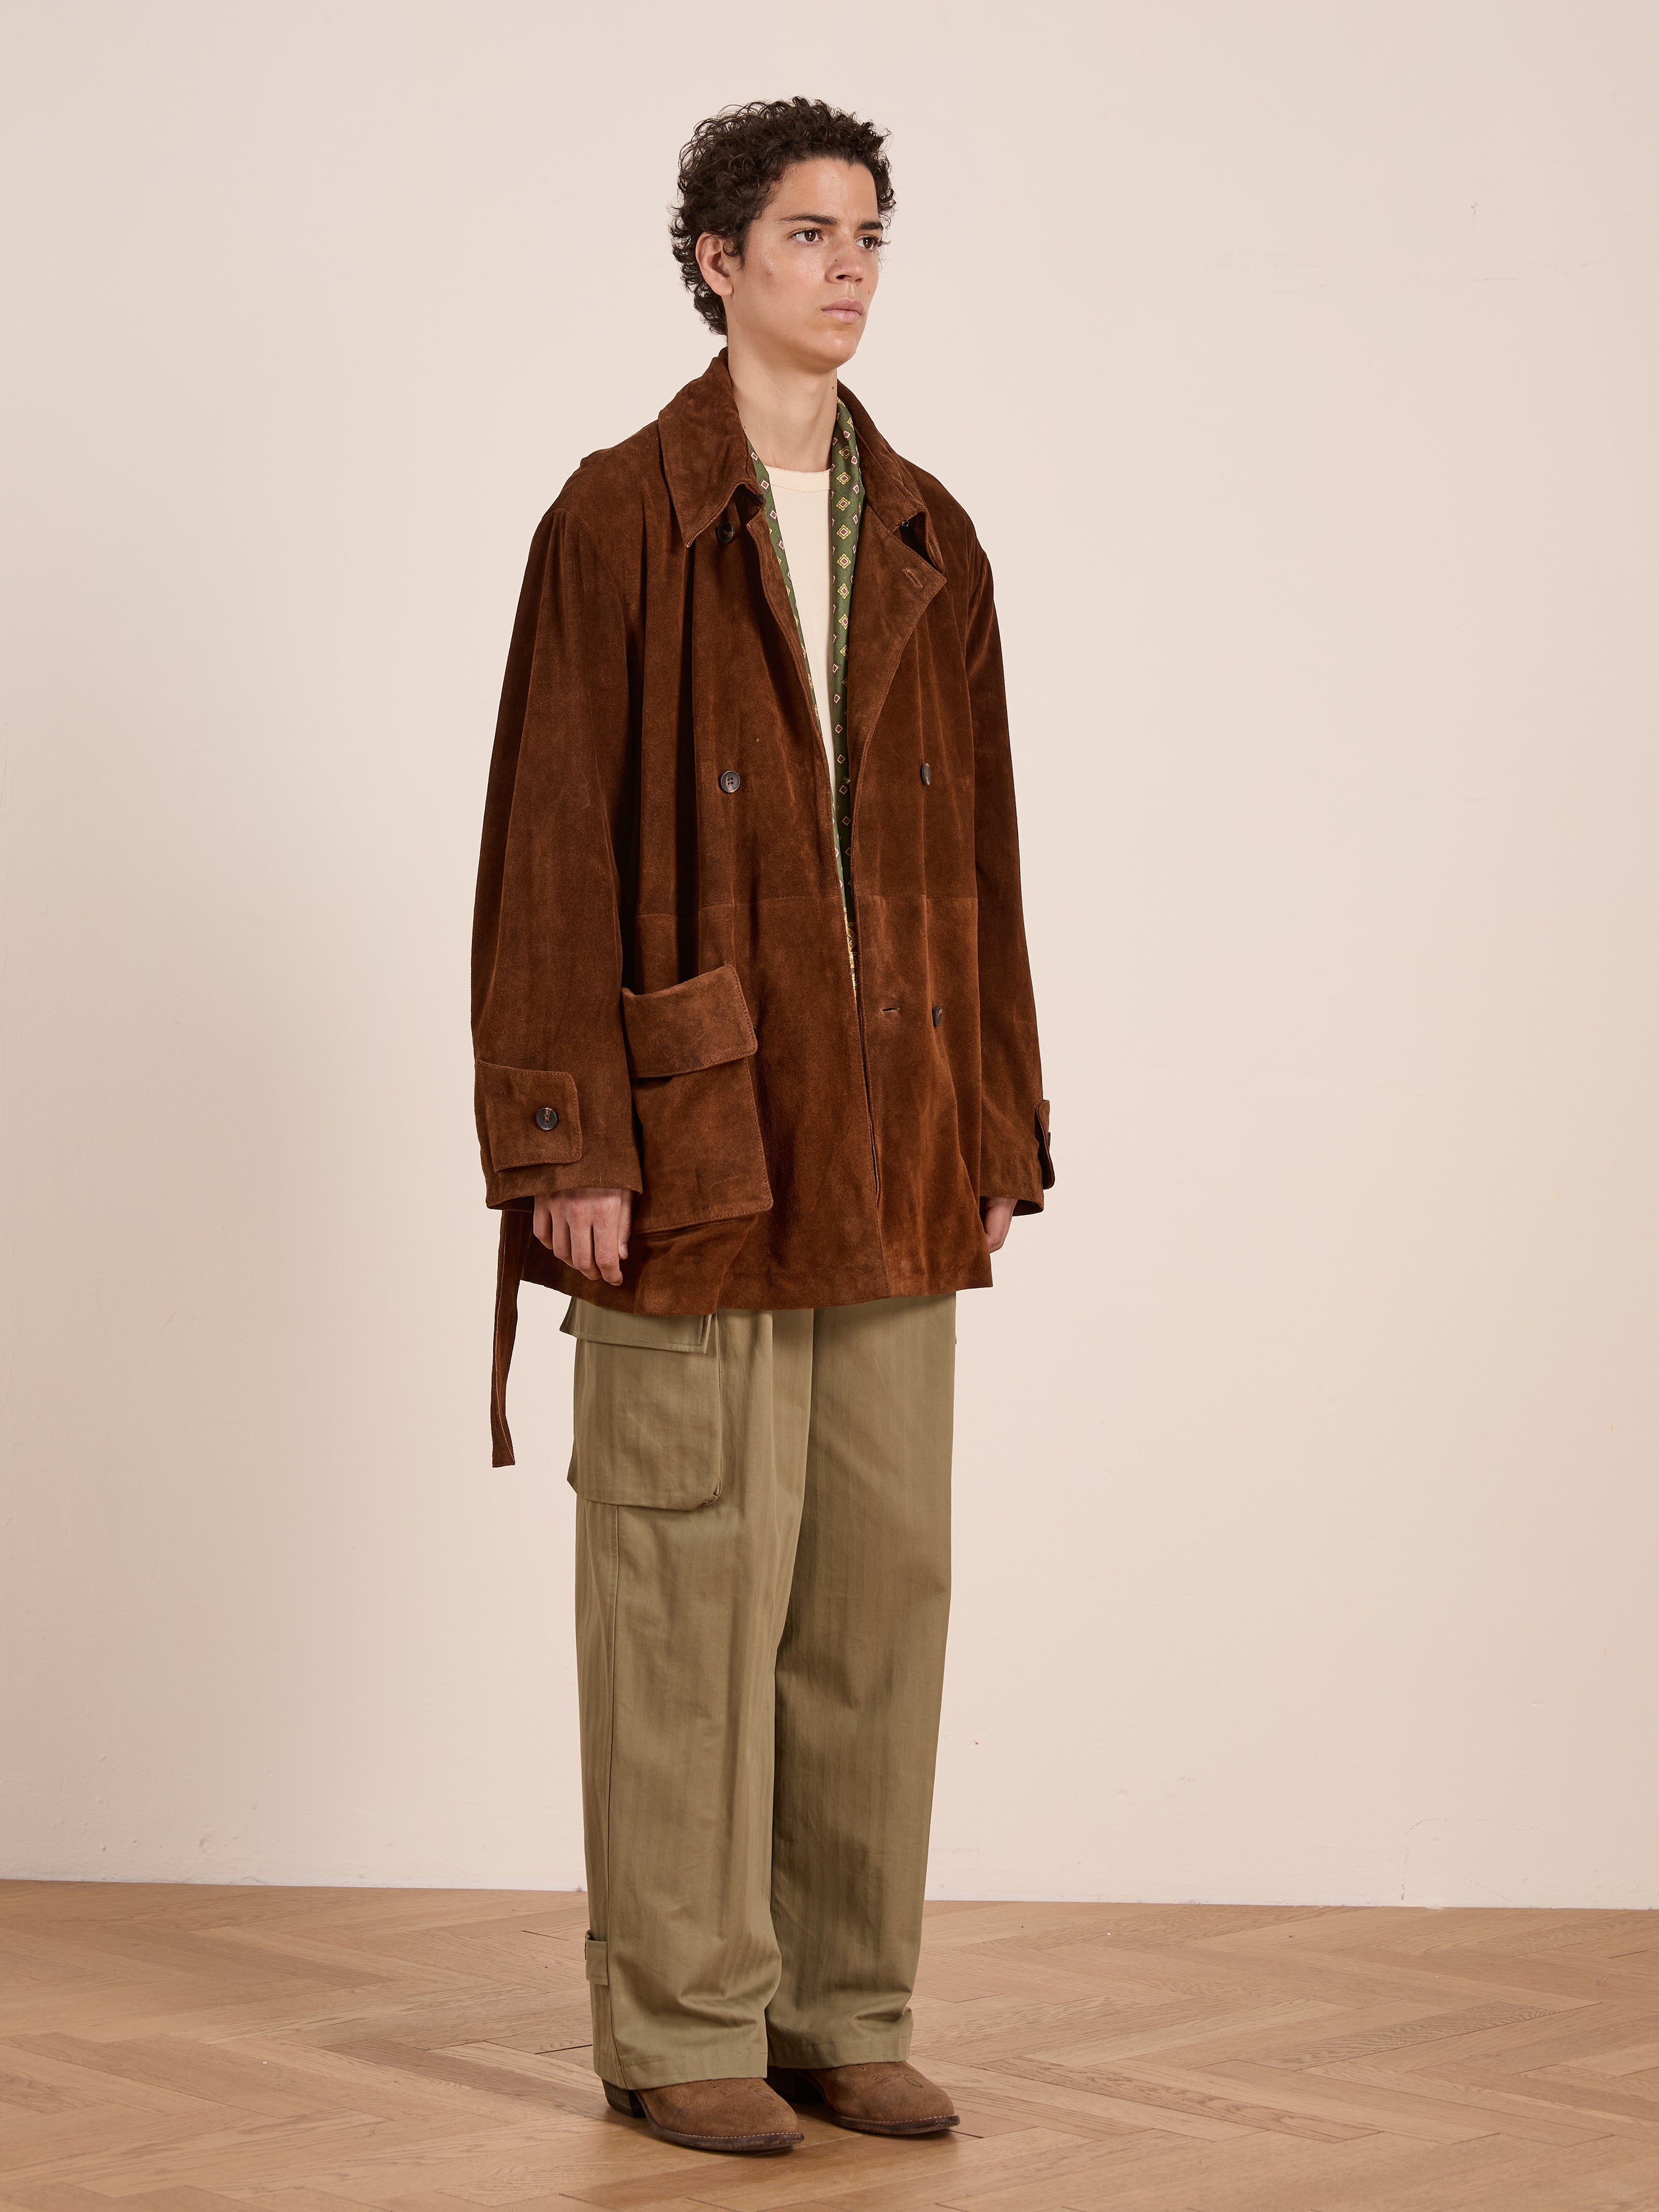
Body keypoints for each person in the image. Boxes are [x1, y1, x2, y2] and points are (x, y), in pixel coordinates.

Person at [470, 95, 1052, 2158]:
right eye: (810, 233)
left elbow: (978, 855)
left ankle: (842, 2005)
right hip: (698, 1157)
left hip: (896, 1152)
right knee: (688, 1594)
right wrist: (569, 1150)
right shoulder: (615, 520)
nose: (851, 268)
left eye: (872, 236)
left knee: (876, 1598)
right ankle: (683, 2024)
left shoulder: (929, 536)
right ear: (714, 257)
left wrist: (999, 1111)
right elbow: (546, 850)